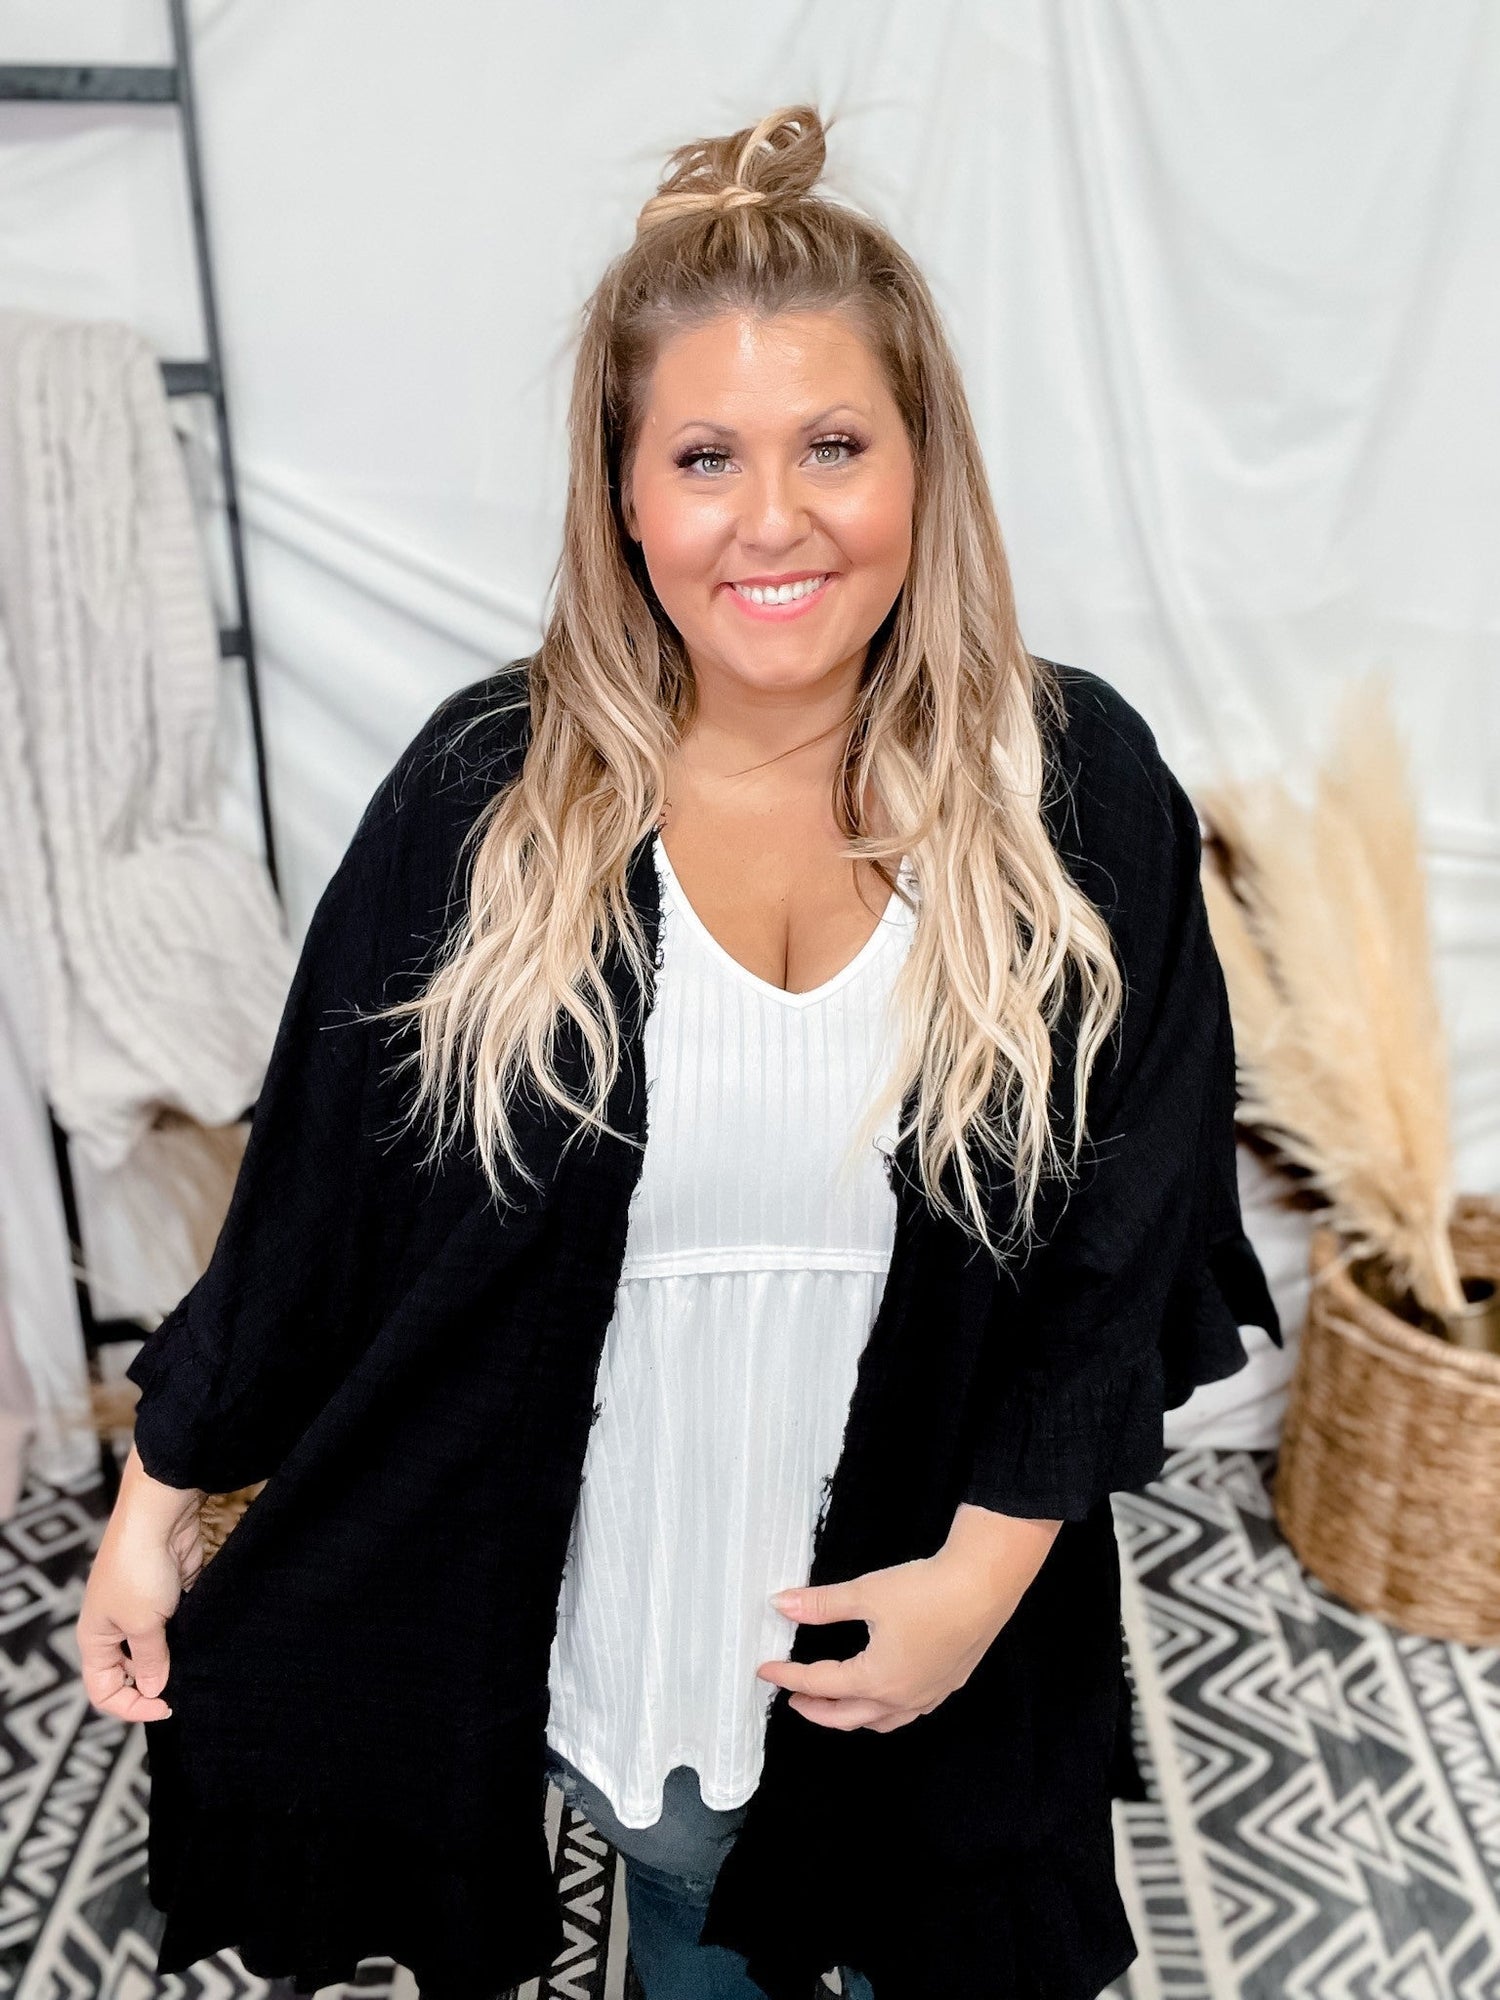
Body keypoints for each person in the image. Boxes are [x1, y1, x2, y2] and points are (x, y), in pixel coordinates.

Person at [76, 103, 1279, 2000]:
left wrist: (972, 1591)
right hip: (627, 1633)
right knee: (697, 1951)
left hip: (943, 1627)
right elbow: (312, 1211)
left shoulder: (1075, 790)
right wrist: (153, 1515)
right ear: (625, 498)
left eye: (834, 446)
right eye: (706, 456)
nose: (772, 518)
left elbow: (1122, 1250)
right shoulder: (488, 800)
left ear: (924, 467)